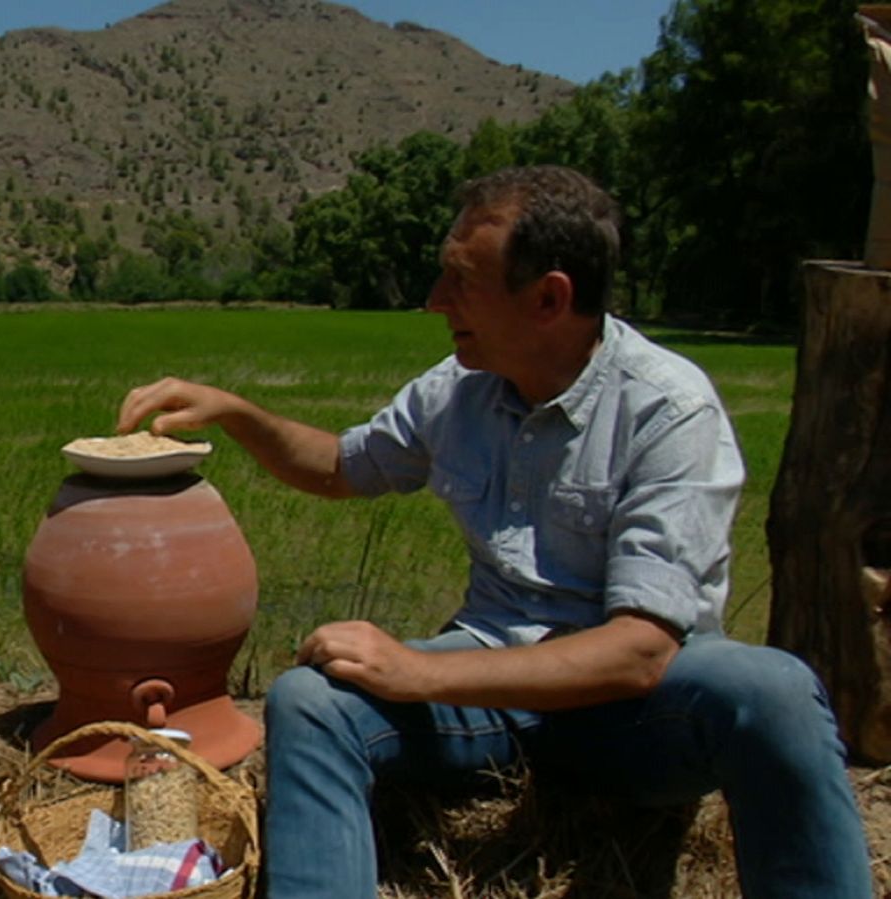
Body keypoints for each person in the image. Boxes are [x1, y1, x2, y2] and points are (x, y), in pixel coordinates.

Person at [117, 165, 873, 898]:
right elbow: (341, 465)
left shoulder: (669, 410)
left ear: (549, 298)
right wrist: (237, 413)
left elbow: (642, 651)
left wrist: (417, 673)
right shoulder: (459, 389)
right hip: (492, 690)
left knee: (772, 689)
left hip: (639, 716)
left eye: (461, 280)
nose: (433, 301)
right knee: (310, 699)